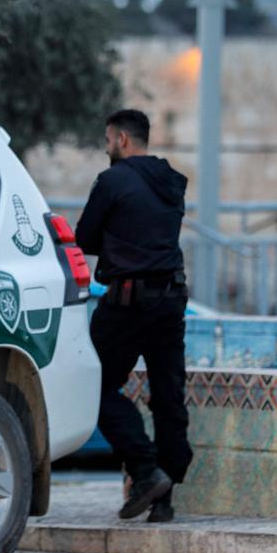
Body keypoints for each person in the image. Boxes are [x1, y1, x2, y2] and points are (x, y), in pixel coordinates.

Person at [75, 109, 192, 523]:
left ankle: (146, 470)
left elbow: (84, 236)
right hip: (171, 299)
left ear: (122, 140)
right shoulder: (172, 181)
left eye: (108, 141)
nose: (107, 148)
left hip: (127, 303)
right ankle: (165, 497)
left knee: (92, 384)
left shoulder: (113, 180)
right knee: (167, 396)